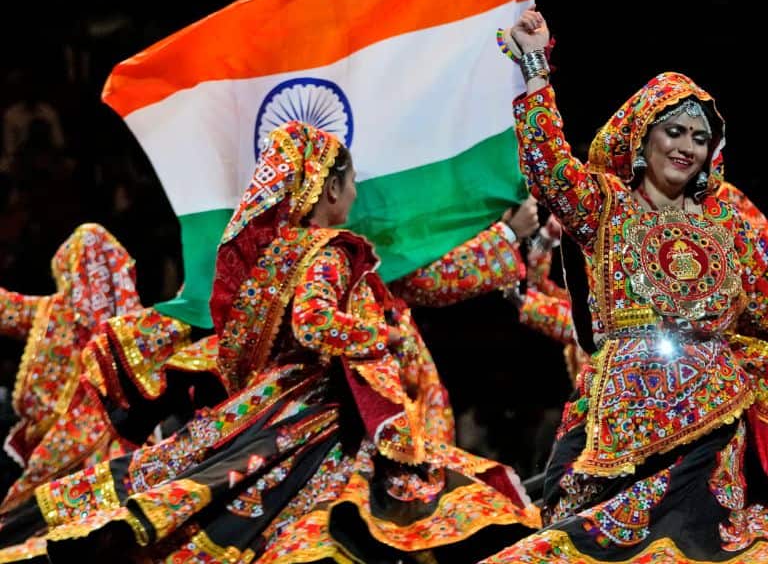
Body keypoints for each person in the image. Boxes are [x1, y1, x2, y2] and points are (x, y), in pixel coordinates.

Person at [480, 9, 768, 564]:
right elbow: (548, 170)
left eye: (699, 137)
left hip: (712, 428)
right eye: (674, 132)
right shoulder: (607, 206)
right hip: (614, 428)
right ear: (642, 137)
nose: (687, 147)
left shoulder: (731, 222)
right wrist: (534, 69)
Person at [0, 122, 538, 563]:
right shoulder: (329, 250)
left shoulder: (276, 258)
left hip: (269, 410)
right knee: (368, 518)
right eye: (351, 182)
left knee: (222, 503)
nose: (357, 193)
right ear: (328, 189)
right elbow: (313, 323)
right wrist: (380, 334)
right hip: (321, 417)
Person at [0, 224, 141, 508]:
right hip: (64, 438)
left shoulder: (130, 330)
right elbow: (7, 309)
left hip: (100, 440)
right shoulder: (57, 310)